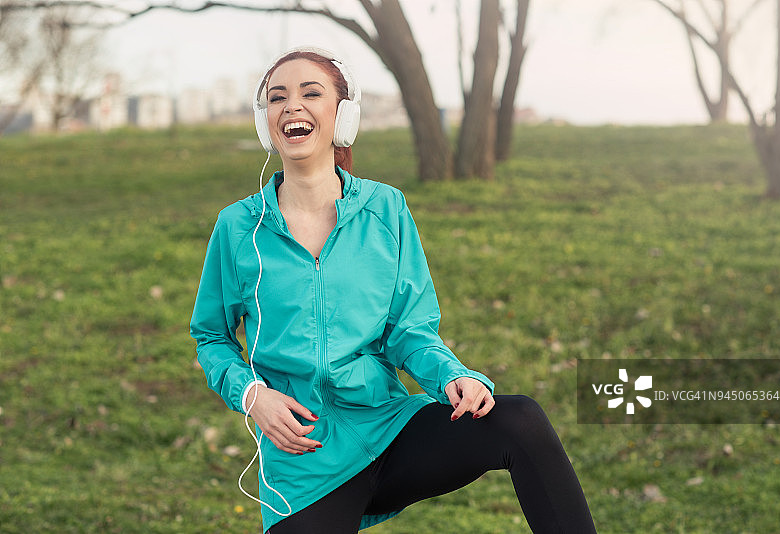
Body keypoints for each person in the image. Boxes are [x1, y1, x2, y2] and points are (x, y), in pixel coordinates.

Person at [190, 47, 596, 534]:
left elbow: (409, 328)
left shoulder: (386, 209)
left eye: (310, 93)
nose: (292, 106)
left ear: (342, 114)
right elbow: (211, 337)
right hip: (306, 465)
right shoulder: (238, 227)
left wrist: (452, 376)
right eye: (278, 97)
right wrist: (253, 395)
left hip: (389, 430)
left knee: (520, 420)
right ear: (266, 124)